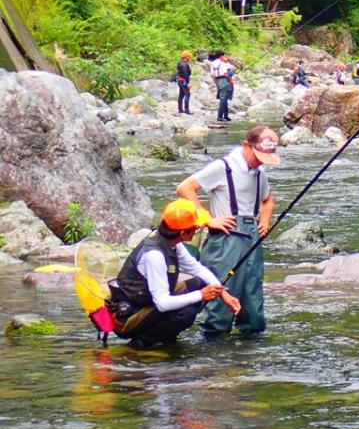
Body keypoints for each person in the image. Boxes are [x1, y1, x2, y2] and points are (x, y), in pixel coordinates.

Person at [176, 125, 280, 336]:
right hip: (224, 242)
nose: (261, 161)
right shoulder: (222, 167)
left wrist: (265, 222)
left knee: (252, 299)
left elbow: (268, 201)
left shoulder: (259, 173)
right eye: (259, 155)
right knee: (220, 302)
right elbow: (185, 187)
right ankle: (215, 354)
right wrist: (207, 219)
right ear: (246, 146)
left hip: (252, 241)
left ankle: (250, 352)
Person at [108, 199, 241, 349]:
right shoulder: (154, 255)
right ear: (184, 233)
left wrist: (223, 293)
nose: (199, 229)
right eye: (196, 227)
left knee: (202, 282)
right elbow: (163, 303)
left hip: (145, 300)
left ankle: (165, 334)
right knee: (187, 313)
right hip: (129, 316)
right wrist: (201, 295)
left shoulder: (171, 242)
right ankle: (142, 342)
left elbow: (196, 268)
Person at [210, 50, 233, 122]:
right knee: (223, 98)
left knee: (224, 97)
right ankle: (220, 116)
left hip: (217, 80)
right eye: (223, 56)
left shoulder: (212, 63)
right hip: (223, 80)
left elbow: (212, 75)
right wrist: (230, 80)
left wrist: (216, 83)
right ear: (221, 56)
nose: (224, 57)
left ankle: (226, 116)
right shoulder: (222, 63)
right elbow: (225, 74)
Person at [176, 51, 192, 115]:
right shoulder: (184, 64)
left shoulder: (179, 62)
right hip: (184, 81)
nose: (189, 58)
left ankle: (180, 109)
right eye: (189, 57)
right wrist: (188, 83)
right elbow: (185, 74)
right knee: (187, 94)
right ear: (186, 57)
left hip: (180, 80)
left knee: (181, 95)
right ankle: (187, 110)